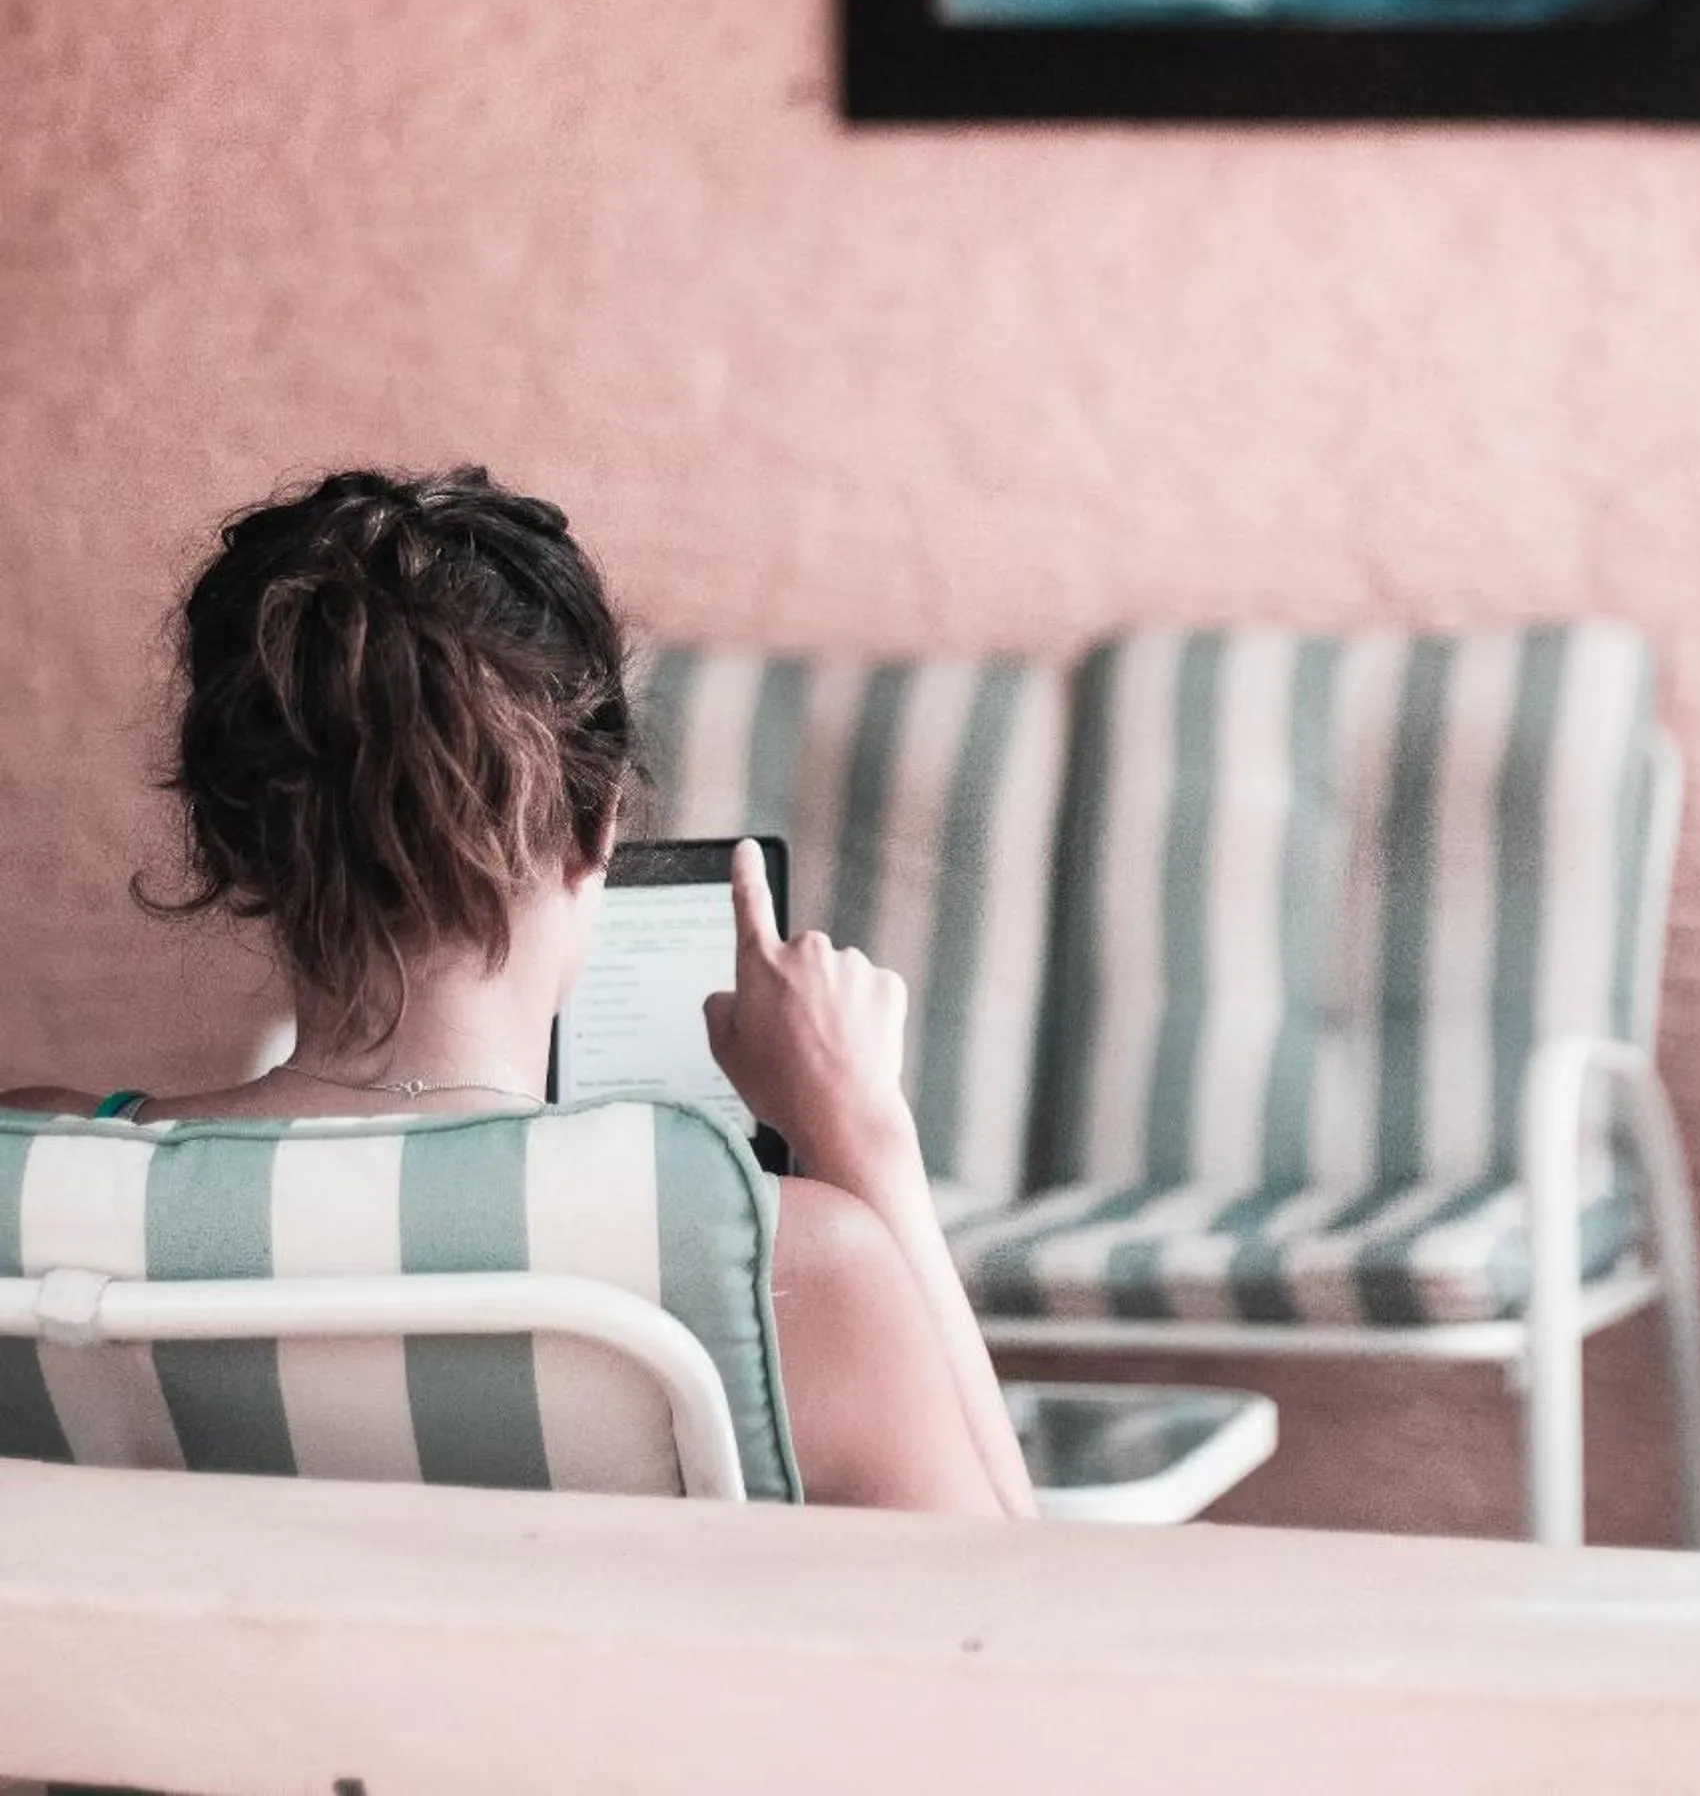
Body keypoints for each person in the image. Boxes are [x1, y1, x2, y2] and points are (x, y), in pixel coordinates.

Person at [2, 467, 1035, 1520]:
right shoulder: (787, 1262)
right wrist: (864, 1133)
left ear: (233, 851)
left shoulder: (33, 1175)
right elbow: (1003, 1594)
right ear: (596, 835)